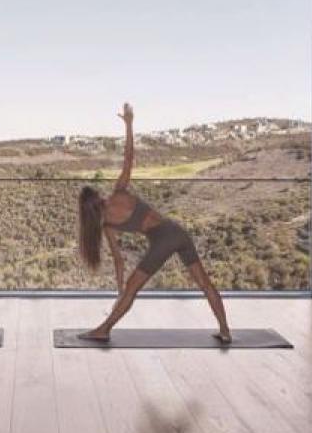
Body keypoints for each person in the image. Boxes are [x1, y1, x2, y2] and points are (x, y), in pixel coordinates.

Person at [76, 103, 231, 343]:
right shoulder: (118, 193)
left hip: (163, 239)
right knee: (204, 283)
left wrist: (121, 289)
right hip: (177, 231)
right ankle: (225, 331)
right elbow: (129, 158)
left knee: (132, 289)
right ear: (97, 196)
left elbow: (118, 261)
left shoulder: (107, 226)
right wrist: (129, 125)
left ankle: (104, 330)